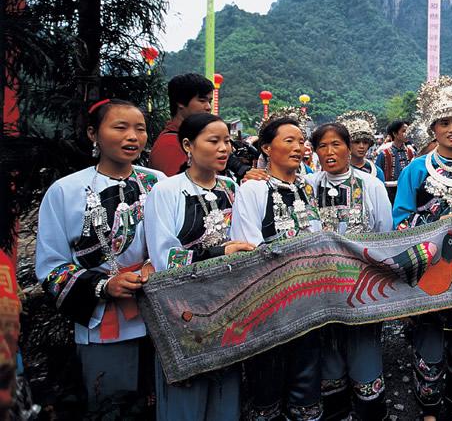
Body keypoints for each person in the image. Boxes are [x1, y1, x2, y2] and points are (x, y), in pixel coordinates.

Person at [35, 99, 164, 411]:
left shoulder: (158, 182)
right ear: (93, 133)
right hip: (103, 321)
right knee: (112, 407)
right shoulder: (65, 191)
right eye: (120, 127)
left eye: (140, 129)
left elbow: (177, 241)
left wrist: (155, 264)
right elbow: (51, 267)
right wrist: (104, 286)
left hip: (161, 316)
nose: (132, 136)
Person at [145, 113, 254, 420]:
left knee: (226, 395)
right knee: (186, 401)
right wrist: (219, 253)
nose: (224, 148)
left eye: (227, 141)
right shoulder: (166, 191)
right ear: (187, 145)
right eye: (214, 140)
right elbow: (165, 258)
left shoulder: (231, 187)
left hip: (228, 305)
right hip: (183, 310)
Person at [393, 76, 452, 421]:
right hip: (430, 268)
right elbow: (400, 221)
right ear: (433, 127)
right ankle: (429, 407)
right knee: (430, 338)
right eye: (444, 123)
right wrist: (437, 224)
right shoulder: (416, 170)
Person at [229, 116, 323, 420]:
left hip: (309, 301)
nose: (299, 147)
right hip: (269, 304)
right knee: (267, 380)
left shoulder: (307, 186)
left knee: (306, 379)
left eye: (301, 141)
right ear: (267, 148)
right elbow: (249, 247)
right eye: (289, 141)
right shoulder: (253, 190)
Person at [306, 122, 392, 420]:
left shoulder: (371, 185)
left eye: (336, 144)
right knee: (328, 347)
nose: (329, 152)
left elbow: (384, 233)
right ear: (315, 152)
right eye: (322, 146)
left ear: (348, 146)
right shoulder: (307, 186)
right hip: (321, 287)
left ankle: (370, 411)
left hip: (362, 286)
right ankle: (337, 411)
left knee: (363, 347)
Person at [149, 73, 213, 176]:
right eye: (202, 101)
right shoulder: (170, 145)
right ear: (181, 102)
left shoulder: (189, 138)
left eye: (210, 101)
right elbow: (175, 184)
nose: (208, 107)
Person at [336, 111, 385, 182]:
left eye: (365, 142)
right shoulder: (338, 169)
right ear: (347, 144)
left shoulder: (376, 171)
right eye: (356, 142)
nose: (361, 146)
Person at [376, 120, 414, 203]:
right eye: (404, 131)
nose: (407, 134)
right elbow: (377, 177)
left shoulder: (411, 152)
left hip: (408, 193)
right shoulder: (384, 154)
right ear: (395, 134)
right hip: (390, 194)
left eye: (408, 131)